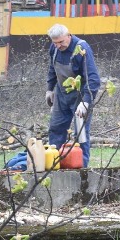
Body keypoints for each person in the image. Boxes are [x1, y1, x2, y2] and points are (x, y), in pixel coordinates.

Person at [45, 24, 100, 167]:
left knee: (80, 134)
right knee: (56, 129)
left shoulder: (81, 49)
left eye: (61, 42)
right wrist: (49, 89)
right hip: (61, 95)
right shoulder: (54, 48)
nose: (58, 46)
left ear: (69, 36)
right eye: (55, 43)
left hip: (80, 96)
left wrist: (86, 102)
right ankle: (55, 165)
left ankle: (81, 167)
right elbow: (52, 68)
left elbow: (93, 79)